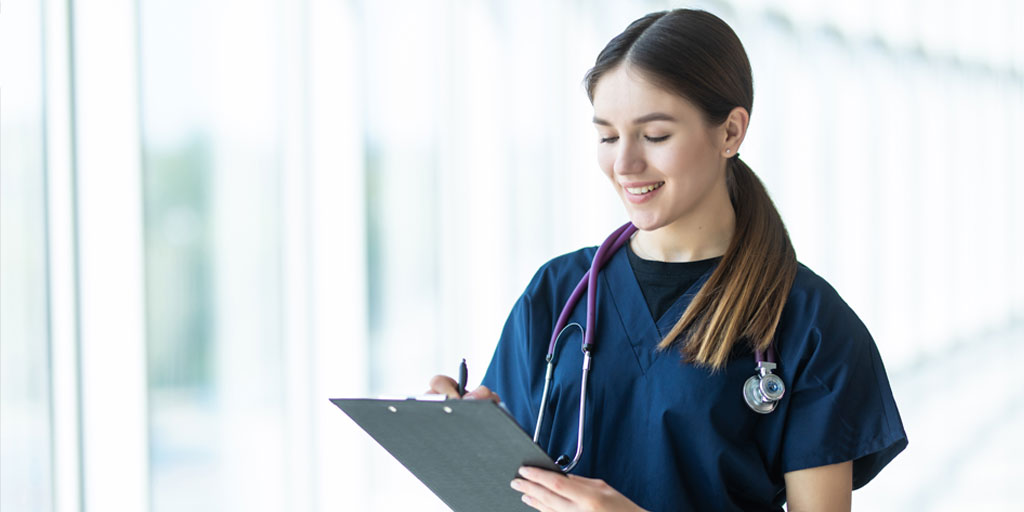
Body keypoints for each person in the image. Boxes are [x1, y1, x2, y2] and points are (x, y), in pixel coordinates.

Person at [429, 8, 906, 511]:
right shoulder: (557, 294)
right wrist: (470, 435)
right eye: (608, 136)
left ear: (730, 132)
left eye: (655, 135)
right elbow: (510, 490)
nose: (625, 163)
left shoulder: (810, 324)